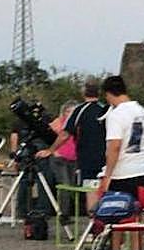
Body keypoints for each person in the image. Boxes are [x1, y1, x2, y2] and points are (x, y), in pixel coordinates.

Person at [95, 75, 144, 250]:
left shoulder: (116, 115)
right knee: (136, 214)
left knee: (117, 214)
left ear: (108, 95)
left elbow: (114, 146)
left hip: (123, 171)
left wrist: (107, 175)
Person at [38, 79, 107, 212]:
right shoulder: (105, 110)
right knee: (103, 189)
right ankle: (106, 219)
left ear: (83, 93)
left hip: (88, 159)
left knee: (90, 189)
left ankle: (94, 224)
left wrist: (51, 149)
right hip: (105, 158)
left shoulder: (80, 111)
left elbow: (65, 134)